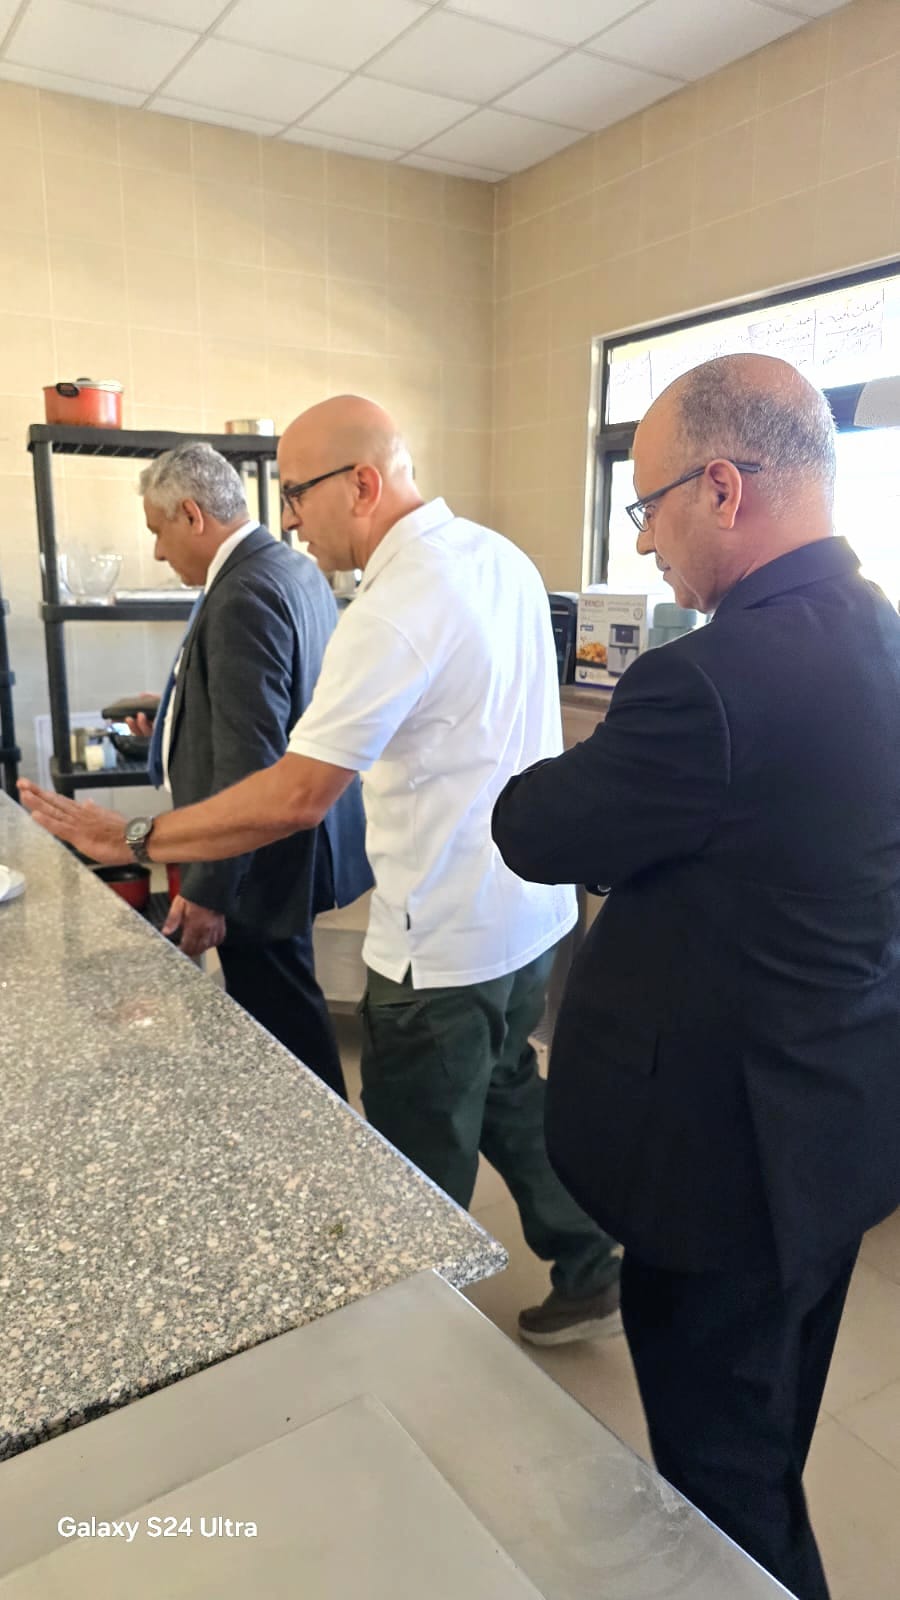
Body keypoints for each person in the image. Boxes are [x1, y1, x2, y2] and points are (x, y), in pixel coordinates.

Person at [20, 396, 620, 1345]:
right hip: (530, 915)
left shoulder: (397, 603)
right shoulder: (497, 557)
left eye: (297, 493)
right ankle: (592, 1263)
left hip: (442, 938)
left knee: (412, 1163)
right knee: (508, 1085)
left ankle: (407, 1351)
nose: (290, 518)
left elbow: (296, 791)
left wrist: (138, 839)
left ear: (364, 483)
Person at [490, 354, 900, 1600]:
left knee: (724, 1488)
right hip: (838, 1129)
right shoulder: (881, 633)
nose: (643, 541)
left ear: (722, 488)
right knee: (772, 1427)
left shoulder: (710, 678)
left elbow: (535, 827)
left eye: (649, 505)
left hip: (725, 1170)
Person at [123, 440, 371, 1099]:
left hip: (256, 861)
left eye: (157, 531)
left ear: (192, 515)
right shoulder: (288, 567)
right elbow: (278, 701)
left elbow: (249, 760)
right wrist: (173, 716)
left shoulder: (241, 593)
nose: (158, 552)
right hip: (294, 849)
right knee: (280, 1005)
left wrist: (210, 890)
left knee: (282, 1022)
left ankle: (319, 1144)